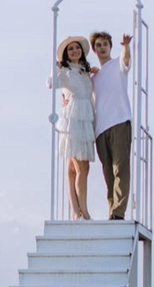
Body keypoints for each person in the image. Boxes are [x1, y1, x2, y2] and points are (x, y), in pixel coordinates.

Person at [49, 36, 96, 220]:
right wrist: (56, 66)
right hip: (73, 119)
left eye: (77, 48)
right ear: (66, 55)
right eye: (71, 49)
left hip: (85, 120)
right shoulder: (65, 71)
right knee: (80, 167)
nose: (75, 51)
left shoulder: (85, 72)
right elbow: (51, 83)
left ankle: (76, 210)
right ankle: (82, 210)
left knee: (74, 168)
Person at [90, 31, 133, 220]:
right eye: (98, 45)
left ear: (110, 46)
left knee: (120, 168)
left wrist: (126, 46)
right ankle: (112, 210)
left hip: (119, 121)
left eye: (105, 44)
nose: (102, 48)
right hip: (101, 128)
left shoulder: (117, 64)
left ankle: (118, 212)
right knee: (108, 172)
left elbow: (126, 61)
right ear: (94, 49)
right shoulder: (94, 78)